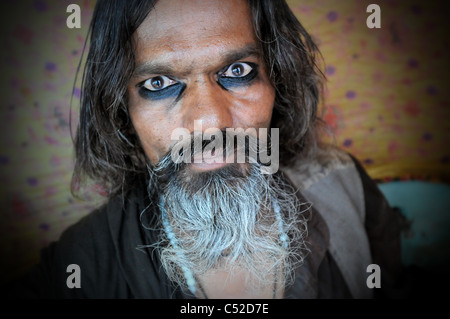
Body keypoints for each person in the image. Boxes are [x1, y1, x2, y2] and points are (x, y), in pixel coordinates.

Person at [4, 0, 407, 299]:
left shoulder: (344, 185)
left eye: (237, 72)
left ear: (276, 84)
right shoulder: (82, 265)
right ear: (123, 111)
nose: (210, 122)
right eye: (159, 84)